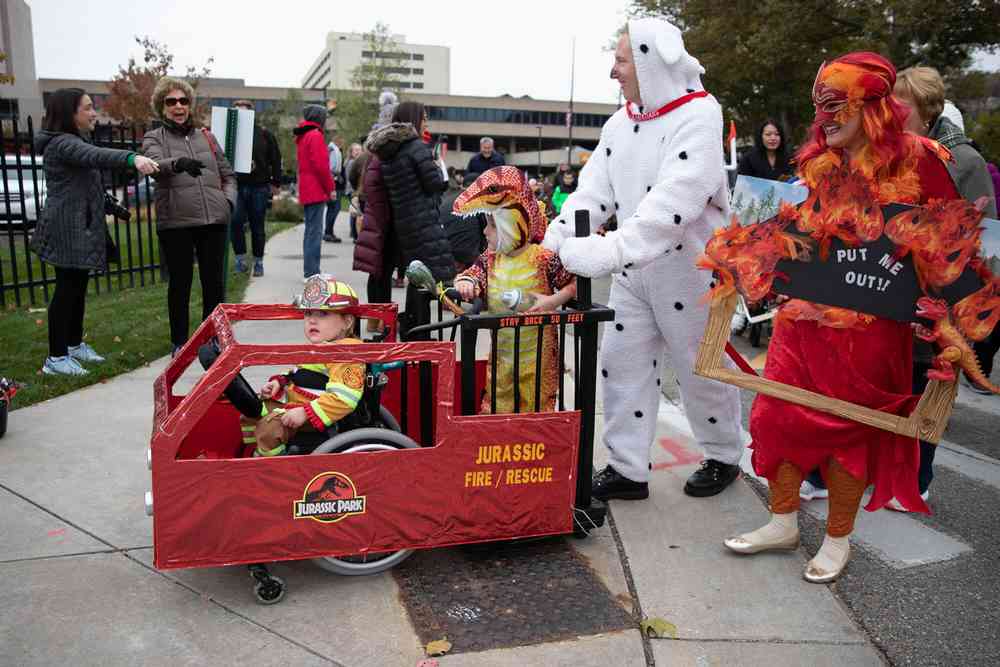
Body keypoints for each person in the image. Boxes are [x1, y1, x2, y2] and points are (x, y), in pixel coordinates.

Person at [723, 53, 962, 583]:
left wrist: (942, 314)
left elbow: (951, 250)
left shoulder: (921, 159)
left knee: (847, 430)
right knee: (774, 415)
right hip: (800, 320)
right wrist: (753, 259)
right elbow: (798, 234)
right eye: (819, 107)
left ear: (872, 106)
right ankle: (782, 520)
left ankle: (837, 538)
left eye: (836, 106)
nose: (824, 118)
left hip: (871, 325)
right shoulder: (817, 160)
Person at [542, 18, 744, 501]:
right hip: (636, 274)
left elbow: (672, 204)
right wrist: (553, 242)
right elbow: (592, 193)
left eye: (622, 60)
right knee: (621, 365)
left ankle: (723, 454)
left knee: (701, 370)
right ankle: (627, 468)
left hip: (694, 272)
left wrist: (607, 252)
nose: (614, 72)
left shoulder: (700, 114)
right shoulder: (620, 122)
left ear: (654, 58)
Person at [890, 66, 999, 502]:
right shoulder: (890, 151)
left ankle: (918, 482)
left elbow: (981, 234)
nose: (893, 111)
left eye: (903, 104)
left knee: (929, 383)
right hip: (895, 288)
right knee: (894, 383)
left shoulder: (963, 160)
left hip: (941, 295)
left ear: (927, 108)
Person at [30, 88, 159, 375]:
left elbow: (85, 182)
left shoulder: (72, 141)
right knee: (66, 290)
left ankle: (73, 346)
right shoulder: (63, 144)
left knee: (77, 288)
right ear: (69, 113)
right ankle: (56, 357)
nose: (94, 113)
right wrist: (131, 158)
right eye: (87, 108)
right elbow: (96, 155)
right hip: (66, 227)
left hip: (80, 226)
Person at [454, 167, 576, 413]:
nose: (485, 231)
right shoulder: (490, 259)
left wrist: (553, 301)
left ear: (511, 222)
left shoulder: (544, 258)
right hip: (503, 354)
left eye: (492, 225)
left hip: (539, 356)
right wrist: (465, 283)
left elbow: (573, 285)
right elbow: (470, 275)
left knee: (538, 408)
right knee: (497, 406)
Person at [142, 77, 236, 355]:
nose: (178, 106)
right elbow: (153, 165)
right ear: (162, 106)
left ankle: (212, 339)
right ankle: (180, 342)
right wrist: (178, 163)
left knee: (214, 283)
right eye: (171, 101)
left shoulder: (206, 136)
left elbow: (227, 174)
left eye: (183, 100)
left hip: (213, 220)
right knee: (180, 284)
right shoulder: (153, 137)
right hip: (176, 222)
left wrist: (228, 202)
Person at [353, 101, 454, 331]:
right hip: (398, 220)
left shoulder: (386, 151)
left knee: (382, 273)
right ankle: (396, 325)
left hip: (389, 219)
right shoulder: (407, 148)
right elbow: (432, 184)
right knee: (407, 274)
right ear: (413, 118)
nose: (426, 122)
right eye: (424, 117)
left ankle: (381, 323)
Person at [239, 275, 364, 457]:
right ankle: (255, 453)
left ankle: (274, 468)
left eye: (322, 314)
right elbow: (299, 372)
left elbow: (344, 399)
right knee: (249, 412)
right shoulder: (322, 347)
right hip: (297, 405)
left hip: (317, 416)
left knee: (269, 430)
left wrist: (306, 413)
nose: (312, 320)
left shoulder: (345, 354)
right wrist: (279, 382)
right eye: (308, 313)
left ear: (347, 322)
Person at [230, 100, 282, 277]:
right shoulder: (231, 134)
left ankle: (258, 262)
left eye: (244, 112)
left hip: (259, 186)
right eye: (237, 112)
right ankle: (240, 259)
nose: (241, 115)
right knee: (235, 221)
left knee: (257, 226)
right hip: (236, 185)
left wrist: (276, 182)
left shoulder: (264, 134)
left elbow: (275, 158)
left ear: (251, 114)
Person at [295, 105, 334, 278]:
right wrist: (330, 188)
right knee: (314, 232)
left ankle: (311, 271)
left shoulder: (305, 135)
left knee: (311, 231)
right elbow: (321, 167)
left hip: (308, 187)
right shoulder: (315, 135)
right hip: (316, 188)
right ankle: (312, 273)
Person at [324, 136, 345, 244]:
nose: (343, 143)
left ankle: (329, 232)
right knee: (335, 207)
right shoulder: (332, 150)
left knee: (332, 208)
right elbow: (331, 167)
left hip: (334, 181)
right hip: (333, 182)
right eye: (341, 141)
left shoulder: (334, 149)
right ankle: (328, 232)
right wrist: (338, 175)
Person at [344, 142, 363, 241]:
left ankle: (354, 233)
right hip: (352, 190)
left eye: (360, 150)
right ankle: (355, 234)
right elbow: (351, 178)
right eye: (356, 150)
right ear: (351, 152)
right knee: (355, 212)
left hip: (353, 189)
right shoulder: (352, 162)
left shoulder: (355, 161)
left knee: (354, 212)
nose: (358, 152)